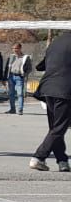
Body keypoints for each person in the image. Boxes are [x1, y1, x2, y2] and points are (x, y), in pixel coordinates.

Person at [30, 33, 70, 172]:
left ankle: (62, 161)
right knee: (59, 127)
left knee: (55, 128)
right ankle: (38, 157)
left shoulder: (56, 42)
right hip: (64, 90)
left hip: (48, 88)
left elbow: (41, 66)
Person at [6, 42, 32, 114]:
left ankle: (20, 109)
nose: (15, 50)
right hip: (11, 76)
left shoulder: (25, 57)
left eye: (16, 48)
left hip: (19, 77)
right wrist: (5, 77)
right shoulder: (11, 57)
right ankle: (12, 109)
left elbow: (29, 68)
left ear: (20, 48)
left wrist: (24, 74)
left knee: (20, 94)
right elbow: (7, 67)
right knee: (11, 94)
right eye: (13, 48)